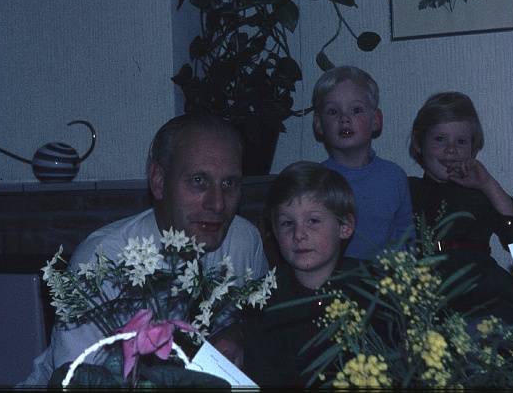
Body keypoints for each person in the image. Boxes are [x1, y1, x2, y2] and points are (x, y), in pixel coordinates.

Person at [20, 112, 270, 386]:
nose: (218, 204)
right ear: (158, 181)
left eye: (229, 183)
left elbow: (260, 322)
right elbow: (76, 380)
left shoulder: (245, 240)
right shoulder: (102, 261)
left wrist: (239, 334)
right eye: (199, 181)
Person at [408, 91, 513, 326]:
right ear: (419, 143)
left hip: (483, 297)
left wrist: (488, 185)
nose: (451, 150)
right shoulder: (406, 189)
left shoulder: (480, 194)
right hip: (428, 300)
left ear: (473, 148)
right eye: (440, 139)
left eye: (461, 142)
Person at [242, 161, 365, 388]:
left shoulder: (371, 288)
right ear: (275, 233)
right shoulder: (260, 301)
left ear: (344, 227)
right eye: (287, 223)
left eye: (313, 221)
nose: (299, 234)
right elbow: (261, 378)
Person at [312, 65, 415, 260]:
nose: (345, 119)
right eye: (333, 111)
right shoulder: (315, 181)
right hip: (334, 281)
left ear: (375, 120)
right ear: (318, 123)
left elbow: (406, 235)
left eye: (356, 110)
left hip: (384, 282)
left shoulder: (394, 177)